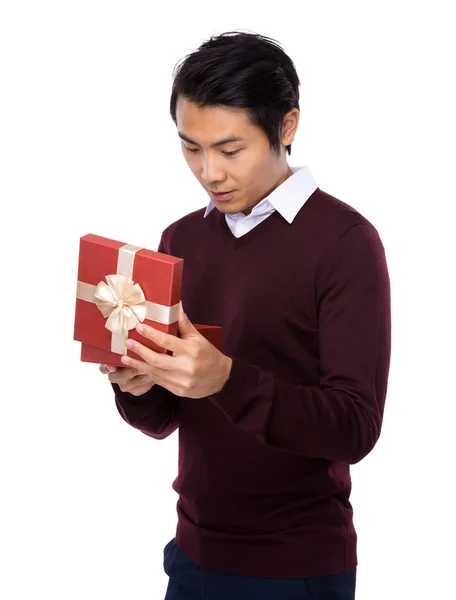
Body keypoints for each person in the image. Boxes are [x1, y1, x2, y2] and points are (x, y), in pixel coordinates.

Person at [100, 31, 391, 600]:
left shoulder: (345, 243)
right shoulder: (181, 237)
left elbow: (356, 427)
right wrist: (138, 384)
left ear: (286, 128)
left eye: (230, 150)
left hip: (294, 567)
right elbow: (164, 419)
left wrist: (228, 379)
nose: (209, 173)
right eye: (191, 148)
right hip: (190, 552)